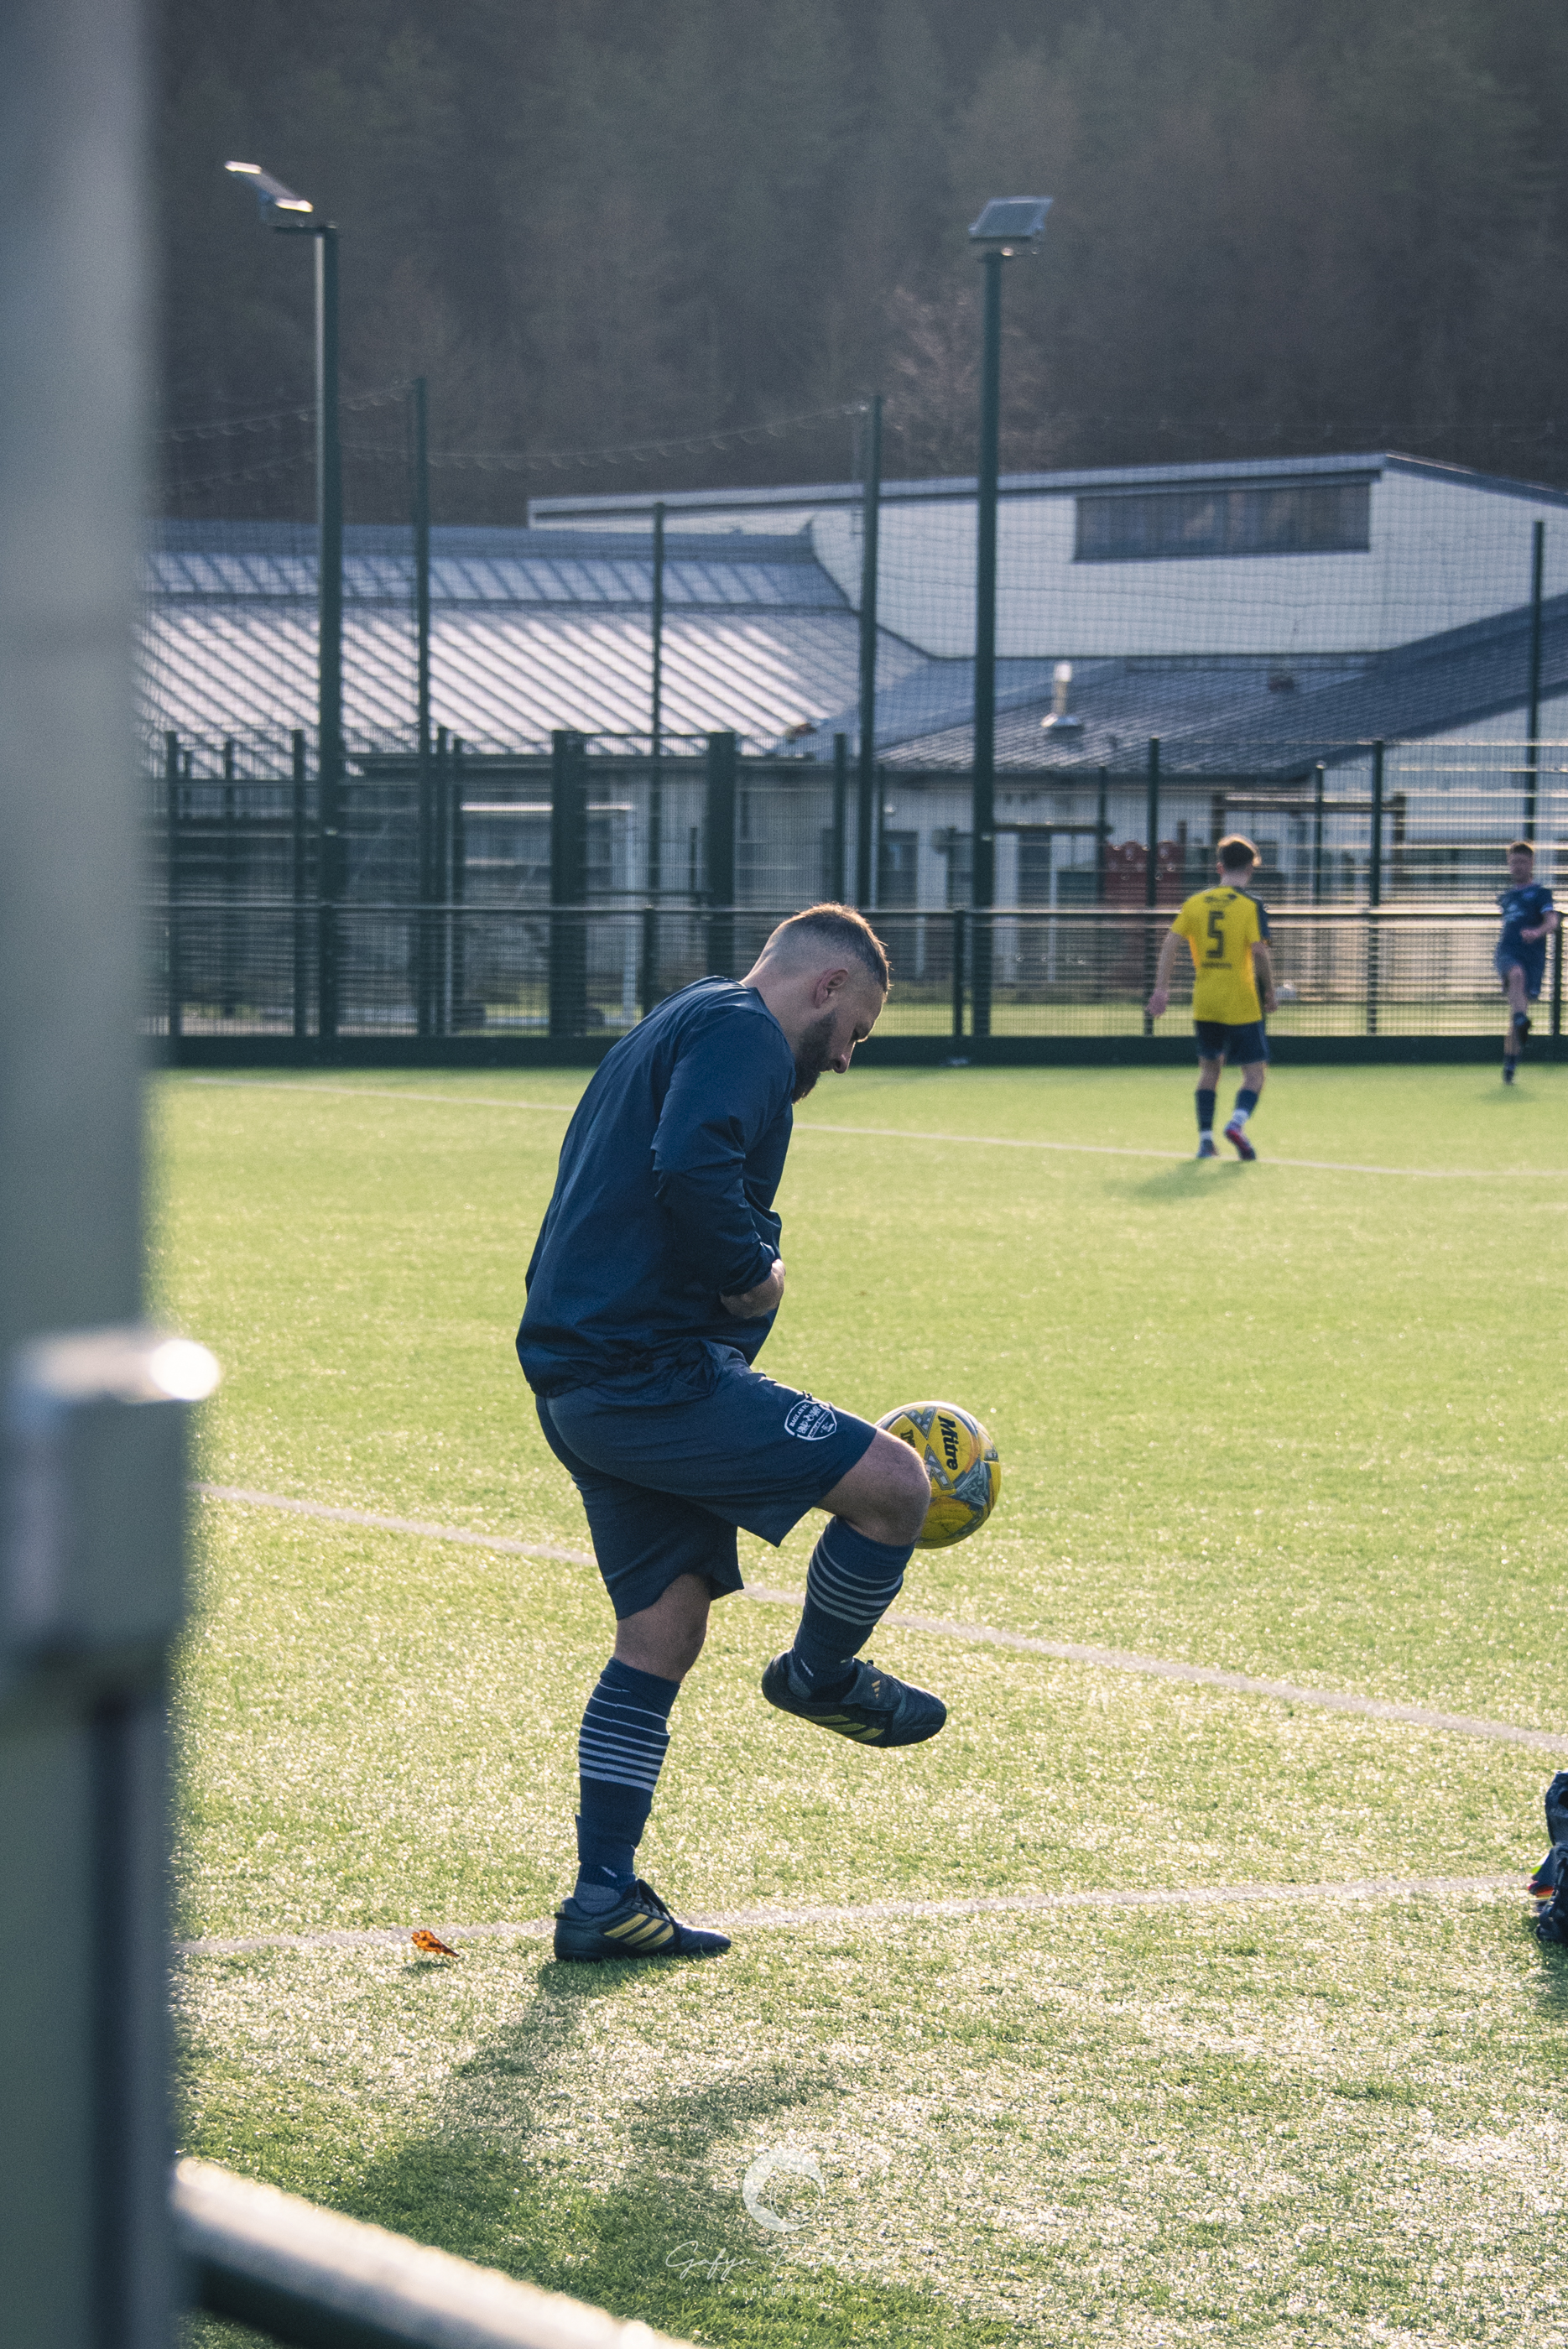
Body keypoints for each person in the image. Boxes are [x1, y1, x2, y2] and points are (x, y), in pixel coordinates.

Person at [517, 904, 937, 1964]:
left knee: (662, 1634)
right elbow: (692, 1165)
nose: (846, 1058)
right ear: (826, 986)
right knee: (896, 1487)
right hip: (646, 1375)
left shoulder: (687, 1015)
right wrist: (753, 1272)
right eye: (856, 1031)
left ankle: (603, 1896)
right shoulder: (744, 1029)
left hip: (583, 1381)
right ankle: (820, 1677)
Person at [1146, 836, 1278, 1160]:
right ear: (1251, 868)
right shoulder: (1251, 905)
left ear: (1219, 867)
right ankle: (1236, 1123)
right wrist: (1270, 990)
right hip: (1241, 1001)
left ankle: (1206, 1140)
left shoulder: (1195, 903)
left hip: (1205, 1000)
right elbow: (1259, 952)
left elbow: (1170, 945)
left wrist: (1161, 989)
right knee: (1255, 1074)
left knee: (1209, 1070)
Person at [1495, 840, 1558, 1083]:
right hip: (1508, 953)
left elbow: (1552, 921)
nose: (1517, 867)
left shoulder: (1541, 893)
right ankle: (1522, 1021)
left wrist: (1536, 932)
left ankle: (1510, 1065)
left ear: (1531, 863)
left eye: (1522, 862)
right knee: (1516, 975)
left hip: (1532, 958)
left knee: (1516, 1016)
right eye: (1513, 862)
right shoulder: (1506, 897)